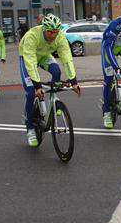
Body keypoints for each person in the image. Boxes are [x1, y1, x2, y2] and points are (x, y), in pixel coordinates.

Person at [19, 14, 81, 147]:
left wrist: (74, 81)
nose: (53, 35)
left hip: (44, 56)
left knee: (56, 71)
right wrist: (37, 86)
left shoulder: (60, 37)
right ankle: (30, 129)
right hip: (27, 57)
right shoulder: (32, 35)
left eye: (56, 32)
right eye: (50, 32)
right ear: (44, 29)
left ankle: (53, 101)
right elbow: (30, 62)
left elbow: (67, 58)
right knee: (31, 93)